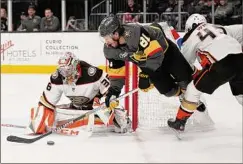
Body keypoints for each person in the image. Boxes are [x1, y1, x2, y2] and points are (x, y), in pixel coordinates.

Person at [98, 14, 208, 113]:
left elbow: (156, 55)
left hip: (167, 53)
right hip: (147, 63)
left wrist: (145, 75)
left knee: (185, 80)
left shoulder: (135, 33)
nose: (106, 42)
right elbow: (117, 71)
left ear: (116, 34)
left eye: (107, 38)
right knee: (168, 91)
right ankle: (182, 95)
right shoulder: (109, 50)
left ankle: (191, 96)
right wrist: (114, 90)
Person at [167, 14, 243, 131]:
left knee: (193, 89)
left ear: (188, 27)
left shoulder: (189, 39)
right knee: (240, 95)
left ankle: (180, 121)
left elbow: (184, 66)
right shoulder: (218, 27)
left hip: (221, 63)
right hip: (239, 57)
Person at [27, 52, 131, 134]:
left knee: (119, 121)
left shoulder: (93, 74)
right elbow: (46, 103)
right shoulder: (57, 78)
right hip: (76, 109)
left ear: (76, 66)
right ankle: (83, 122)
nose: (66, 75)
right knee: (48, 112)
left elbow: (110, 93)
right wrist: (40, 121)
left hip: (94, 109)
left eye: (68, 70)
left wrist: (102, 102)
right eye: (63, 71)